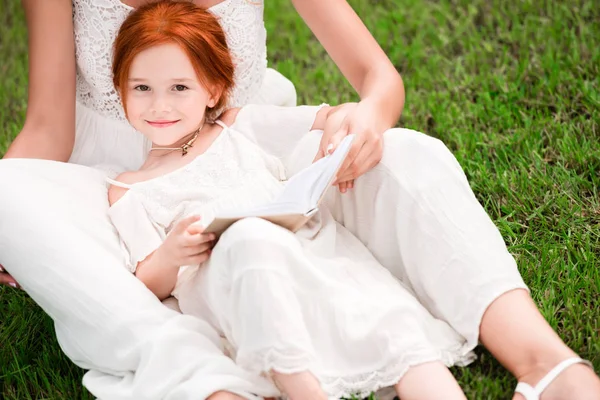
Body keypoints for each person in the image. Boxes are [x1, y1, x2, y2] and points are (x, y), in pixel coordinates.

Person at [0, 0, 598, 399]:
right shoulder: (120, 190)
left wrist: (364, 119)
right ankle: (205, 378)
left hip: (250, 154)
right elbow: (49, 128)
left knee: (411, 152)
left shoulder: (241, 125)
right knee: (7, 196)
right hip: (109, 178)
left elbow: (377, 79)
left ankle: (544, 362)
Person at [107, 3, 476, 399]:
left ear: (211, 89)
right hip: (236, 289)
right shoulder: (129, 187)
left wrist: (344, 131)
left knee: (383, 317)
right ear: (122, 91)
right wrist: (171, 253)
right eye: (141, 88)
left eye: (179, 87)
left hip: (301, 256)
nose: (159, 105)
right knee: (248, 239)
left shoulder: (235, 128)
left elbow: (326, 119)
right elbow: (145, 280)